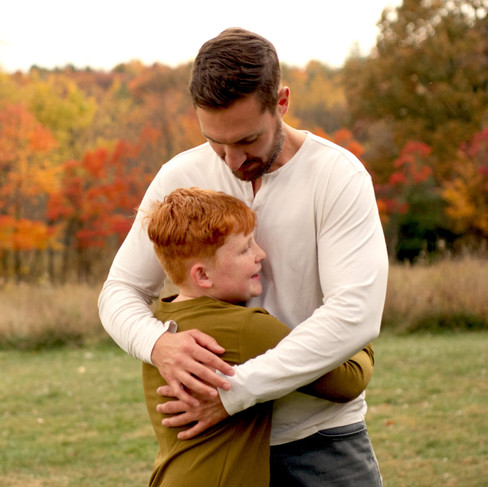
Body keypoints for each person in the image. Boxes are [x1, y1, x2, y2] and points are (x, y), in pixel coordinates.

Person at [99, 27, 388, 485]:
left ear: (282, 102)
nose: (232, 161)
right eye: (217, 142)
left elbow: (355, 313)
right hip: (217, 448)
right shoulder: (179, 175)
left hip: (321, 441)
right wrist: (158, 344)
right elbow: (120, 291)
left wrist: (235, 392)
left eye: (248, 140)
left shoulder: (338, 176)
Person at [142, 187, 375, 486]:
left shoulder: (162, 323)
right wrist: (352, 317)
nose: (260, 254)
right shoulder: (245, 329)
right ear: (202, 276)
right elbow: (349, 380)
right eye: (244, 249)